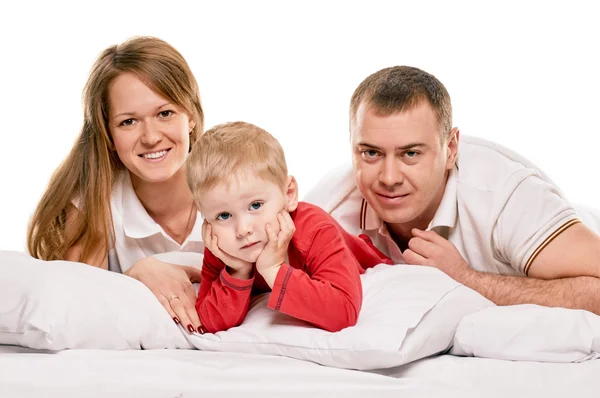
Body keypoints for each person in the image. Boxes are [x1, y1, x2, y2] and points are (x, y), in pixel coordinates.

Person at [305, 65, 600, 315]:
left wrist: (465, 279)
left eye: (410, 154)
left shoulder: (507, 196)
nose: (389, 177)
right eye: (371, 153)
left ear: (451, 148)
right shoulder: (329, 206)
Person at [27, 36, 205, 333]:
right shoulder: (91, 209)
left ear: (191, 116)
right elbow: (74, 313)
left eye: (165, 113)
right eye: (128, 122)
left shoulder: (240, 186)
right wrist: (136, 275)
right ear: (108, 135)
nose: (150, 137)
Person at [186, 121, 392, 334]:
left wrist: (273, 269)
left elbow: (344, 312)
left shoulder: (315, 231)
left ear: (289, 194)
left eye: (255, 205)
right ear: (207, 222)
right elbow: (209, 321)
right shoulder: (222, 247)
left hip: (360, 261)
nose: (243, 229)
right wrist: (237, 271)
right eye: (224, 215)